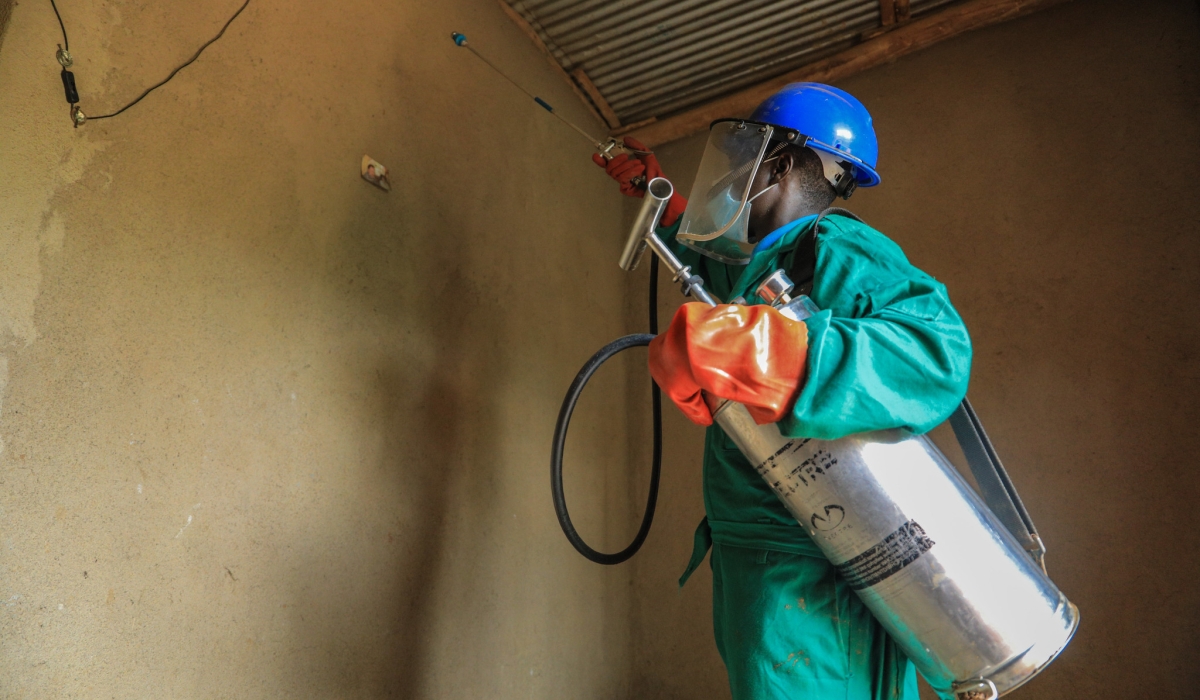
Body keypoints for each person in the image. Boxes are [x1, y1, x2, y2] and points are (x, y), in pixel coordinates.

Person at [594, 83, 972, 700]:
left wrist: (763, 352)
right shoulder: (761, 261)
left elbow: (937, 355)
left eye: (751, 153)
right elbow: (711, 259)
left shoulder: (839, 246)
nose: (738, 169)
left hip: (818, 571)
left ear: (781, 162)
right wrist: (657, 197)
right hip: (765, 558)